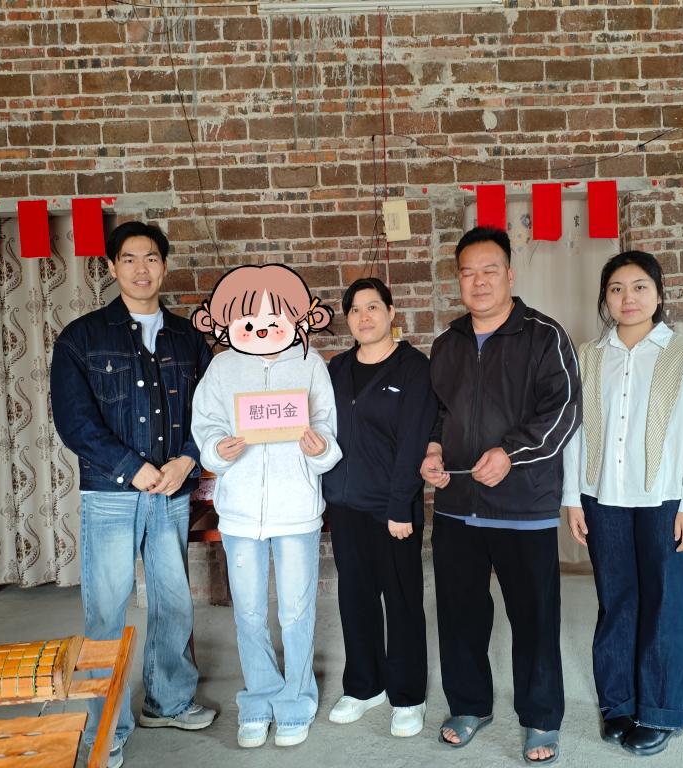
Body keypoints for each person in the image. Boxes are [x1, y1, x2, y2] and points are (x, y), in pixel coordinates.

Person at [50, 221, 217, 768]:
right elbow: (74, 421)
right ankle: (108, 728)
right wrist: (132, 468)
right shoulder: (81, 337)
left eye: (151, 258)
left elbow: (211, 410)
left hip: (171, 491)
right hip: (111, 495)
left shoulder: (188, 339)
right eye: (129, 259)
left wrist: (187, 459)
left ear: (164, 266)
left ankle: (168, 702)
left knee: (174, 603)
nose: (141, 269)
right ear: (112, 267)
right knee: (106, 610)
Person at [419, 226, 581, 765]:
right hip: (458, 506)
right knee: (460, 614)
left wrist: (511, 453)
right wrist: (434, 451)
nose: (479, 281)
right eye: (468, 272)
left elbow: (563, 411)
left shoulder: (544, 336)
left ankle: (541, 716)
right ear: (458, 280)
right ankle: (470, 706)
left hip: (523, 507)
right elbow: (439, 413)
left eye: (490, 270)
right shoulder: (448, 343)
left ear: (510, 274)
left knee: (534, 618)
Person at [562, 250, 683, 757]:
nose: (627, 298)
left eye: (639, 287)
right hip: (603, 498)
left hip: (665, 501)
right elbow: (574, 433)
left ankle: (662, 710)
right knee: (616, 601)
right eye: (616, 289)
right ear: (605, 298)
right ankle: (619, 703)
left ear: (657, 294)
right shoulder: (588, 356)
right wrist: (573, 498)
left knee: (666, 603)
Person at [190, 263, 342, 749]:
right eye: (248, 321)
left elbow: (327, 425)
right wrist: (218, 449)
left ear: (297, 319)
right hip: (239, 512)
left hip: (296, 507)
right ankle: (258, 698)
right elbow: (206, 424)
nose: (261, 329)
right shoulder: (221, 368)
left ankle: (296, 700)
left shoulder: (310, 364)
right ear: (228, 323)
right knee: (249, 611)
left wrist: (320, 449)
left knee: (296, 610)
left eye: (274, 320)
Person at [322, 277, 438, 738]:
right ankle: (364, 686)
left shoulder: (413, 368)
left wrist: (400, 507)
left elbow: (413, 442)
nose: (364, 317)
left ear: (392, 312)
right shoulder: (336, 368)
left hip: (392, 508)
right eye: (355, 310)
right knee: (355, 597)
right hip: (344, 504)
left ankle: (408, 695)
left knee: (402, 600)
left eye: (373, 307)